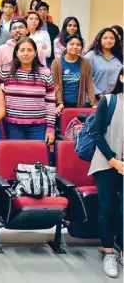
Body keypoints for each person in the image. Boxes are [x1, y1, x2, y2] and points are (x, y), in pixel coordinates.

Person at [88, 68, 123, 279]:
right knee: (107, 208)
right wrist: (114, 161)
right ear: (121, 77)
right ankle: (109, 251)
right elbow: (96, 132)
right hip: (107, 162)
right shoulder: (109, 100)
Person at [0, 38, 56, 143]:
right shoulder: (6, 70)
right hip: (12, 125)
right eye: (22, 50)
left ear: (35, 53)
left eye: (29, 50)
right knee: (15, 157)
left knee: (37, 157)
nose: (26, 53)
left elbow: (50, 102)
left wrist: (50, 128)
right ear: (16, 53)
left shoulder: (45, 73)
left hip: (38, 127)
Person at [51, 35, 97, 111]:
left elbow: (89, 84)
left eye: (78, 45)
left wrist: (93, 103)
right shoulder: (56, 63)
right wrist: (60, 102)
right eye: (71, 44)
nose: (75, 47)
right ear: (65, 45)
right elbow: (55, 84)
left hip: (79, 104)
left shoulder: (85, 62)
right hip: (61, 105)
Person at [85, 27, 124, 96]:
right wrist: (99, 94)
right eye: (105, 38)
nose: (109, 40)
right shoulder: (91, 56)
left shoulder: (119, 57)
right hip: (93, 100)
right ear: (99, 39)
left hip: (114, 99)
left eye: (112, 38)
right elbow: (86, 78)